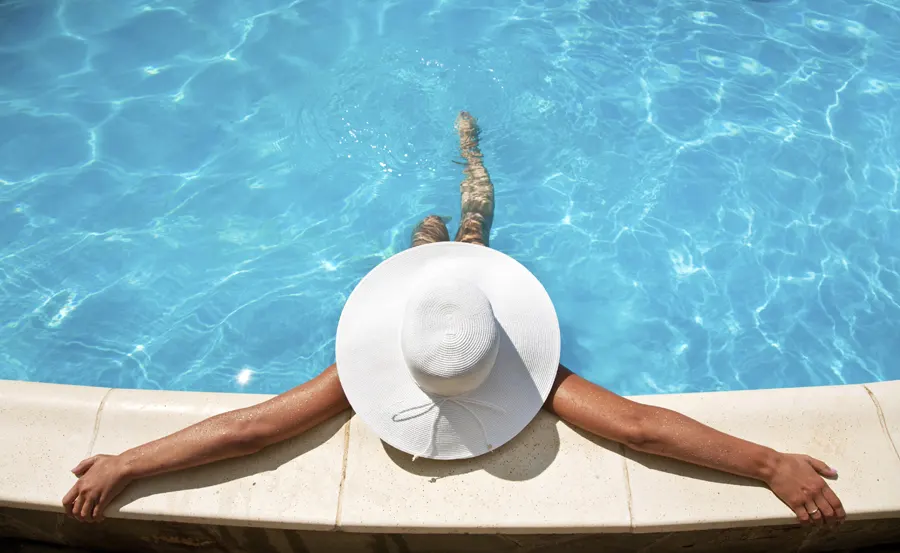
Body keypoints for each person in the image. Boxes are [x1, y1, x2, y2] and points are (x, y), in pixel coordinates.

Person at [63, 112, 844, 526]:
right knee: (461, 231)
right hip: (446, 300)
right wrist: (765, 462)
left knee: (457, 228)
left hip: (443, 300)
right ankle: (458, 189)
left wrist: (131, 462)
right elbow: (636, 427)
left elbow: (255, 429)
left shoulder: (359, 375)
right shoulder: (531, 377)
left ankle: (467, 163)